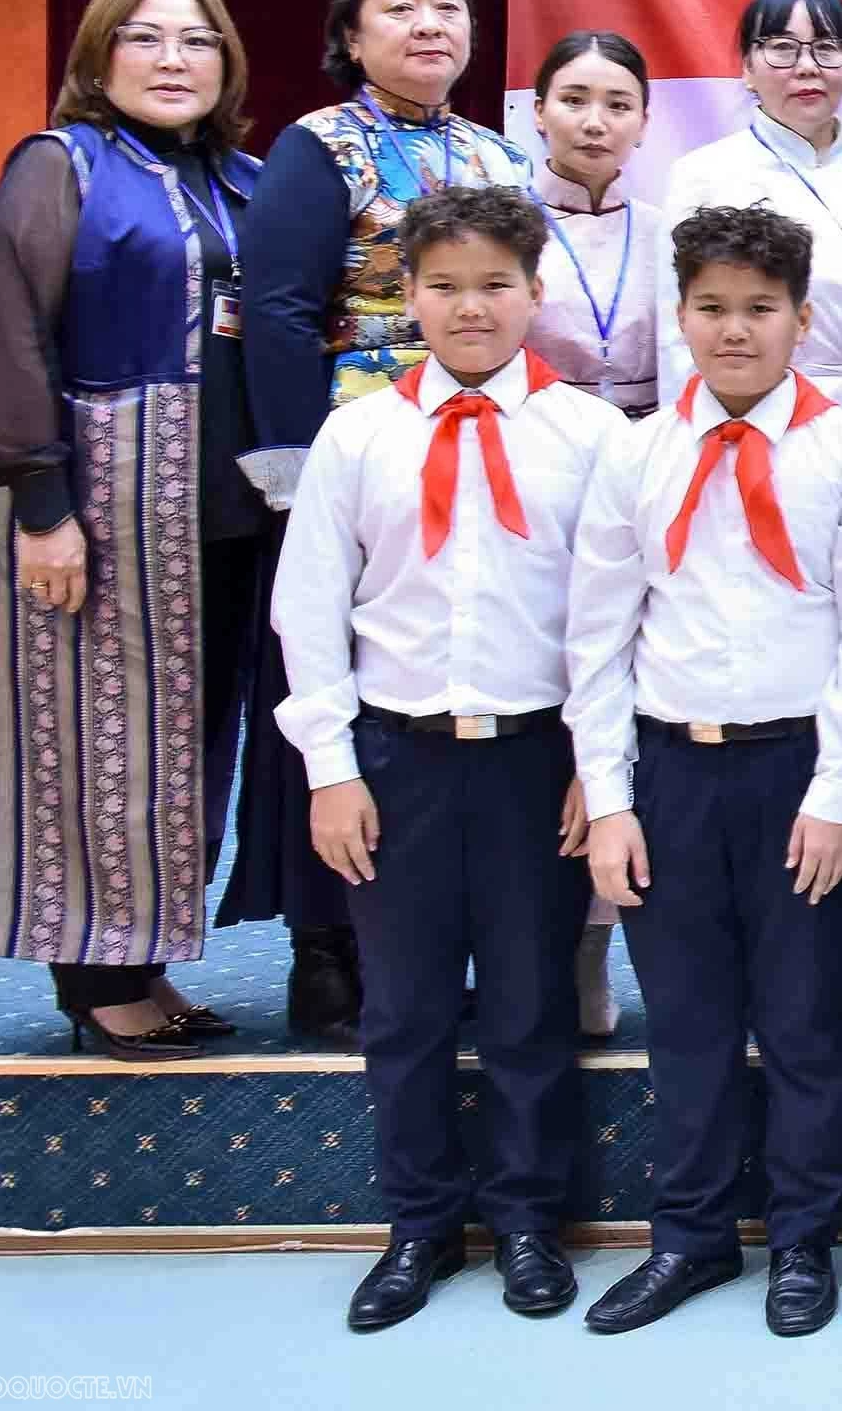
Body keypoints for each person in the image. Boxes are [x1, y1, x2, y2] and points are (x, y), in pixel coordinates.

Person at [269, 186, 628, 1331]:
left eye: (493, 284)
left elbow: (611, 616)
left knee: (530, 1000)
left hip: (536, 759)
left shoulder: (590, 434)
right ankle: (419, 1219)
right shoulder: (358, 431)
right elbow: (309, 607)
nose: (468, 307)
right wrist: (331, 765)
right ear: (405, 294)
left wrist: (595, 761)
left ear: (536, 290)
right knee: (406, 1004)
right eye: (443, 285)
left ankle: (527, 1218)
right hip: (397, 759)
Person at [563, 206, 842, 1339]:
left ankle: (802, 1238)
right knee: (687, 1018)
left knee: (804, 1018)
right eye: (710, 308)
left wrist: (837, 794)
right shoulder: (637, 448)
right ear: (679, 315)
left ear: (804, 319)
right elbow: (596, 636)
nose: (733, 331)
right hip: (670, 770)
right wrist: (608, 800)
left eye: (759, 309)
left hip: (800, 764)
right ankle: (689, 1234)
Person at [0, 0, 267, 1058]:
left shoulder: (244, 176)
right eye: (145, 37)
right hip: (100, 502)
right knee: (91, 736)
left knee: (185, 741)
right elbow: (10, 334)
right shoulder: (63, 166)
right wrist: (41, 500)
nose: (173, 58)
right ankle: (94, 976)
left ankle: (146, 956)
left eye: (197, 40)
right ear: (98, 55)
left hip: (223, 508)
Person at [240, 0, 530, 1045]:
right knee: (342, 693)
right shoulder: (318, 148)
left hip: (484, 453)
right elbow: (274, 311)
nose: (428, 25)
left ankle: (434, 942)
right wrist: (294, 471)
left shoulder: (499, 156)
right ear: (351, 32)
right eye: (400, 7)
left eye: (447, 5)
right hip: (354, 451)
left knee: (449, 684)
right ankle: (327, 949)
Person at [525, 29, 663, 1037]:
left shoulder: (671, 229)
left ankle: (592, 947)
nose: (593, 120)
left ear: (644, 122)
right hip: (531, 473)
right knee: (538, 696)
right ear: (535, 111)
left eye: (617, 102)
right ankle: (521, 937)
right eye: (573, 98)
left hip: (647, 472)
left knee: (618, 698)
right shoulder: (505, 232)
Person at [658, 0, 842, 451]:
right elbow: (678, 342)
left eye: (826, 48)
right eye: (782, 48)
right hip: (760, 425)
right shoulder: (704, 176)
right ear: (746, 69)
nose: (806, 67)